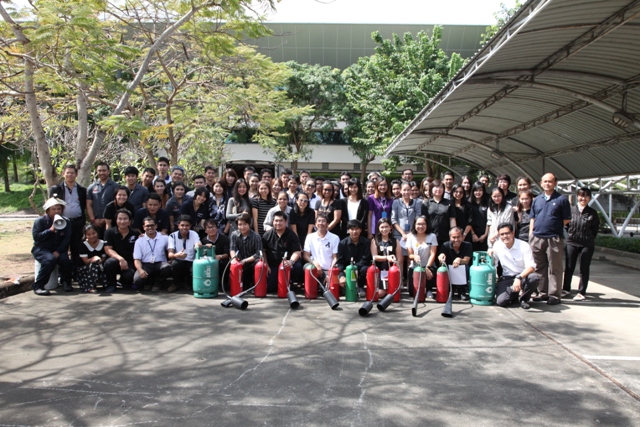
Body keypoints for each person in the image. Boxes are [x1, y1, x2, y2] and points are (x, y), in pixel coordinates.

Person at [530, 172, 571, 305]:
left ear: (555, 183)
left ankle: (554, 295)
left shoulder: (561, 199)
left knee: (555, 268)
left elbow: (566, 219)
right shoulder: (537, 200)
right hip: (537, 238)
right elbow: (533, 218)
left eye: (550, 181)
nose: (547, 183)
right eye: (545, 181)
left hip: (554, 238)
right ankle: (542, 292)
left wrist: (554, 227)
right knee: (539, 267)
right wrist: (531, 234)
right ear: (541, 183)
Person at [489, 222, 539, 309]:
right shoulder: (497, 245)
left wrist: (519, 278)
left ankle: (524, 299)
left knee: (534, 278)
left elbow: (531, 267)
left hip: (523, 276)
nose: (505, 236)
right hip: (507, 277)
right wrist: (490, 255)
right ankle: (515, 295)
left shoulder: (524, 246)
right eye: (502, 234)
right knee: (501, 302)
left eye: (507, 233)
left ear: (513, 233)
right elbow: (493, 264)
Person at [562, 187, 600, 301]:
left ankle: (581, 292)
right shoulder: (570, 211)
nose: (583, 198)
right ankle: (566, 289)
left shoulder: (592, 213)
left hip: (587, 244)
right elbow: (566, 225)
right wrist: (572, 234)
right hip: (572, 242)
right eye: (581, 196)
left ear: (589, 198)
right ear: (577, 197)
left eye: (586, 196)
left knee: (584, 268)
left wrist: (588, 237)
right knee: (569, 267)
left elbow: (595, 229)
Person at [31, 196, 73, 295]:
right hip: (42, 248)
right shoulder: (40, 221)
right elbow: (37, 237)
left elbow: (67, 239)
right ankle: (38, 286)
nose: (56, 211)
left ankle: (66, 282)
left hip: (57, 249)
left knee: (65, 260)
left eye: (59, 209)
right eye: (53, 209)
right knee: (49, 260)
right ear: (48, 210)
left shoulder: (66, 221)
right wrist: (50, 230)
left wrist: (58, 251)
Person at [49, 164, 86, 266]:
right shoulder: (56, 189)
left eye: (72, 173)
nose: (70, 175)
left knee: (76, 247)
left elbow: (84, 206)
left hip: (77, 222)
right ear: (63, 174)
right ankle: (64, 272)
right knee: (62, 247)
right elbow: (51, 206)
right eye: (68, 173)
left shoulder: (82, 190)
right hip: (62, 223)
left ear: (76, 174)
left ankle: (76, 270)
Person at [262, 211, 303, 293]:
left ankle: (290, 281)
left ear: (286, 222)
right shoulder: (267, 235)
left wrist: (291, 261)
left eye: (281, 221)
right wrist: (266, 265)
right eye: (276, 221)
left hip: (287, 264)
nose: (278, 223)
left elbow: (297, 251)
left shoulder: (292, 235)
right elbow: (263, 251)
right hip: (273, 265)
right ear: (272, 222)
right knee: (270, 288)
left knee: (298, 267)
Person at [104, 209, 140, 292]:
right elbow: (108, 249)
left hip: (129, 262)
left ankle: (123, 281)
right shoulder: (109, 232)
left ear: (130, 221)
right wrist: (121, 259)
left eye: (125, 219)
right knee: (110, 263)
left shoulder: (135, 233)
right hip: (115, 260)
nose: (122, 221)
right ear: (116, 220)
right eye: (120, 219)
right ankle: (111, 284)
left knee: (129, 276)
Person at [133, 217, 171, 292]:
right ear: (143, 227)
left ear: (156, 226)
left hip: (160, 264)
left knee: (167, 267)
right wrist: (140, 270)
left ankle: (158, 283)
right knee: (137, 280)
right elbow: (137, 259)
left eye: (152, 225)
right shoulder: (139, 241)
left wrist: (171, 260)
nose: (150, 227)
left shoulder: (164, 238)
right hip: (146, 264)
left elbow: (172, 250)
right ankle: (148, 282)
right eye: (147, 226)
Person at [337, 219, 372, 297]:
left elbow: (365, 260)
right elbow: (340, 262)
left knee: (365, 269)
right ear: (348, 230)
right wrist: (341, 275)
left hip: (359, 269)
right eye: (352, 229)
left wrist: (352, 269)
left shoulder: (366, 242)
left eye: (357, 229)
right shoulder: (342, 243)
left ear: (361, 230)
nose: (354, 231)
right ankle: (346, 287)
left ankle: (360, 287)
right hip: (346, 271)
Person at [303, 213, 340, 286]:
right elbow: (305, 255)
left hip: (328, 269)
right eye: (319, 221)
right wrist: (315, 264)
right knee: (307, 267)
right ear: (315, 224)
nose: (321, 223)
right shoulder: (310, 237)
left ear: (327, 224)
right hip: (314, 267)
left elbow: (335, 257)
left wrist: (330, 272)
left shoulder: (335, 238)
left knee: (330, 288)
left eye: (323, 221)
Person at [391, 181, 418, 279]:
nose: (406, 192)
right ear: (401, 191)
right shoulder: (396, 202)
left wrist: (410, 233)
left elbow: (418, 218)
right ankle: (400, 282)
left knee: (410, 259)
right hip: (399, 235)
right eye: (404, 190)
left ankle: (410, 282)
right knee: (400, 259)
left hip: (413, 234)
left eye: (408, 190)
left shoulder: (417, 202)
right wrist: (403, 233)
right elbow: (393, 219)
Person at [406, 216, 438, 298]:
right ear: (414, 225)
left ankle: (428, 290)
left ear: (427, 225)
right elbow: (410, 255)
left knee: (430, 272)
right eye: (418, 224)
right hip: (415, 267)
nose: (421, 226)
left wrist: (427, 267)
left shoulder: (432, 236)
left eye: (423, 224)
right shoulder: (410, 238)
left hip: (428, 265)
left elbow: (433, 254)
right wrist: (414, 256)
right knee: (412, 293)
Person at [229, 212, 263, 289]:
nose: (242, 227)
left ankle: (255, 286)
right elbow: (232, 249)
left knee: (258, 263)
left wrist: (245, 260)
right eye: (240, 224)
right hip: (239, 262)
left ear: (249, 224)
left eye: (245, 224)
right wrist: (234, 259)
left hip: (251, 262)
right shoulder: (234, 234)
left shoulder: (256, 236)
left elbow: (258, 253)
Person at [370, 218, 402, 298]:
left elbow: (400, 258)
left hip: (391, 271)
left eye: (386, 227)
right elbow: (374, 257)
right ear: (378, 228)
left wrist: (395, 266)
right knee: (380, 294)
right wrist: (386, 257)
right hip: (380, 271)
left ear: (390, 227)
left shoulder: (395, 241)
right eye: (382, 227)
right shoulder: (375, 241)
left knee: (393, 293)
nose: (384, 229)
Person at [437, 227, 472, 300]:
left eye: (458, 237)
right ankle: (450, 289)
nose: (456, 240)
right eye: (454, 237)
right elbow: (441, 255)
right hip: (449, 269)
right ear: (450, 237)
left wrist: (460, 260)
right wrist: (441, 256)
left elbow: (467, 260)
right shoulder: (445, 245)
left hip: (462, 269)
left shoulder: (468, 245)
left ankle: (462, 291)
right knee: (442, 269)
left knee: (466, 268)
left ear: (462, 237)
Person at [421, 179, 456, 250]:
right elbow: (424, 220)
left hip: (445, 236)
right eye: (436, 187)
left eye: (440, 187)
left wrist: (453, 234)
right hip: (430, 235)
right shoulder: (426, 203)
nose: (438, 189)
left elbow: (452, 219)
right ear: (431, 189)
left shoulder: (449, 203)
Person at [167, 215, 200, 292]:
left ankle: (188, 283)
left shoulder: (194, 234)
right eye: (182, 225)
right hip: (179, 261)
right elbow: (170, 255)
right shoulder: (172, 236)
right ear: (178, 226)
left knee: (195, 268)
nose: (184, 228)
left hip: (191, 261)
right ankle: (176, 283)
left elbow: (197, 244)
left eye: (187, 225)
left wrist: (198, 245)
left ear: (190, 226)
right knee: (175, 264)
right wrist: (177, 255)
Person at [86, 162, 119, 237]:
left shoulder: (115, 186)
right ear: (96, 172)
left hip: (111, 223)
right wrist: (93, 220)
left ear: (108, 171)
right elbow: (89, 205)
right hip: (95, 223)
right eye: (99, 171)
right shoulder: (91, 187)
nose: (102, 173)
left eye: (104, 170)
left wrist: (106, 219)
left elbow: (118, 204)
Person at [196, 219, 231, 290]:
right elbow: (201, 255)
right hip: (208, 261)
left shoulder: (224, 239)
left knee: (224, 263)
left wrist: (220, 256)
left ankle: (224, 284)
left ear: (217, 228)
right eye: (209, 227)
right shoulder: (203, 241)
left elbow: (227, 254)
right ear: (205, 230)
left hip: (221, 259)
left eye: (213, 227)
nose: (211, 229)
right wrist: (205, 247)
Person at [77, 224, 108, 293]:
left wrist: (100, 260)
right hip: (86, 268)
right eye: (89, 234)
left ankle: (106, 284)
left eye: (93, 233)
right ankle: (89, 287)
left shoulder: (103, 243)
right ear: (85, 235)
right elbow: (85, 261)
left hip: (100, 265)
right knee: (94, 266)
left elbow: (104, 257)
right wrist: (93, 259)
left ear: (97, 232)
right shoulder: (83, 245)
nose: (92, 236)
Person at [469, 181, 490, 251]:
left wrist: (485, 234)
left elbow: (489, 220)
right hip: (472, 235)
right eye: (476, 190)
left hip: (485, 234)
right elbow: (468, 220)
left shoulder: (488, 202)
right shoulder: (469, 203)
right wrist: (473, 234)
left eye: (480, 190)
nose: (478, 192)